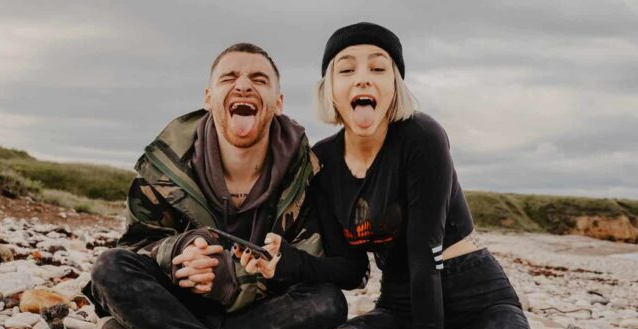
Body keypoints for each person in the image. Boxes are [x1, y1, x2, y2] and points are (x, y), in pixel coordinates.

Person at [85, 42, 355, 329]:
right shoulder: (165, 165)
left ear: (278, 103)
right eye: (229, 77)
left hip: (258, 312)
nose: (243, 86)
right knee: (110, 266)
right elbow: (134, 246)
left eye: (259, 80)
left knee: (327, 301)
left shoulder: (306, 174)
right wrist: (178, 253)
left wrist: (233, 280)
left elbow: (309, 264)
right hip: (177, 302)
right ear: (208, 97)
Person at [309, 22, 530, 329]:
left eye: (377, 68)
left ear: (395, 85)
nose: (362, 79)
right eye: (346, 71)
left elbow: (424, 259)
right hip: (401, 300)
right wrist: (284, 265)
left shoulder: (422, 136)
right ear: (329, 89)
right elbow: (350, 270)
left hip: (475, 294)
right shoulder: (323, 161)